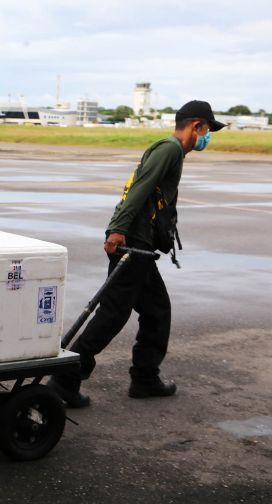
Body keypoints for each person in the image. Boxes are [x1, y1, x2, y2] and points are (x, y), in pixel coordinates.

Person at [49, 101, 226, 408]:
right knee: (113, 314)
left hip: (139, 244)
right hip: (133, 243)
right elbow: (139, 189)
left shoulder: (172, 151)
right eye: (208, 129)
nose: (208, 136)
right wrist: (118, 229)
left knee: (157, 311)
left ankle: (145, 378)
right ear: (196, 126)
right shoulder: (170, 149)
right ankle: (65, 379)